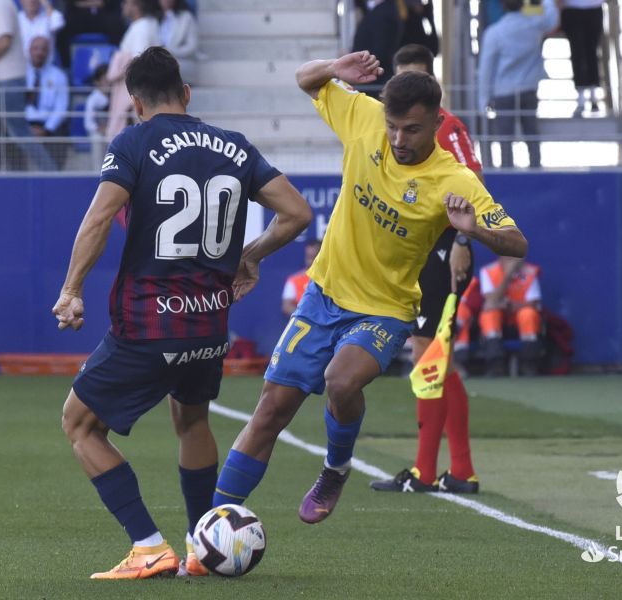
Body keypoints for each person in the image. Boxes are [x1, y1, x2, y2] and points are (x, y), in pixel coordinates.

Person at [212, 51, 526, 525]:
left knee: (340, 381)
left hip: (385, 309)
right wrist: (333, 68)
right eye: (393, 127)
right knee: (271, 409)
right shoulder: (363, 116)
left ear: (436, 122)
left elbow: (516, 242)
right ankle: (212, 526)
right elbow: (303, 78)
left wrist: (473, 230)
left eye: (412, 130)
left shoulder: (454, 179)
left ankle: (335, 468)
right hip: (324, 294)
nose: (398, 140)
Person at [53, 47, 311, 579]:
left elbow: (100, 217)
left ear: (135, 103)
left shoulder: (133, 142)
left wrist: (72, 288)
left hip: (149, 322)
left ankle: (148, 547)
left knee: (79, 424)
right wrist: (251, 256)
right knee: (191, 418)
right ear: (186, 93)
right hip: (210, 325)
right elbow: (297, 213)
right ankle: (202, 548)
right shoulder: (234, 147)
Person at [369, 43, 483, 494]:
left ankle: (427, 471)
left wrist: (462, 242)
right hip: (420, 253)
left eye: (419, 78)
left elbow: (473, 187)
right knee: (437, 359)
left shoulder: (448, 127)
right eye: (402, 80)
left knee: (426, 356)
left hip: (444, 250)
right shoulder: (394, 132)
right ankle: (459, 471)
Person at [0, 0, 56, 171]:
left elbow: (5, 40)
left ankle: (51, 174)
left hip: (9, 80)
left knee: (19, 132)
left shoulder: (1, 3)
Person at [477, 0, 558, 168]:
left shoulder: (494, 32)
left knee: (505, 139)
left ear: (502, 5)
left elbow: (486, 69)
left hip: (503, 92)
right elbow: (552, 18)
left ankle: (507, 171)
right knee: (532, 136)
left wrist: (483, 99)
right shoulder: (534, 25)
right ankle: (535, 170)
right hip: (528, 89)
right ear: (523, 4)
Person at [473, 256, 542, 375]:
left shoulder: (529, 272)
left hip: (518, 319)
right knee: (489, 314)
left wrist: (512, 305)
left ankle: (528, 363)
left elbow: (533, 303)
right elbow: (491, 301)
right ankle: (495, 364)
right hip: (500, 321)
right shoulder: (489, 271)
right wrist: (508, 276)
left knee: (528, 313)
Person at [105, 0, 160, 140]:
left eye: (126, 3)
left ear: (136, 5)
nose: (123, 6)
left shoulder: (142, 28)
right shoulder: (143, 25)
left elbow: (138, 61)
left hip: (135, 91)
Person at [24, 35, 68, 165]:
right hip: (24, 125)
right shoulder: (20, 74)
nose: (39, 53)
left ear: (49, 52)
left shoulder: (58, 75)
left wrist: (47, 130)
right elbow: (15, 105)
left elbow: (61, 107)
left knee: (60, 135)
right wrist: (26, 129)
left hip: (49, 127)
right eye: (35, 48)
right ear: (29, 50)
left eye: (43, 49)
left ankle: (55, 174)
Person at [558, 0, 603, 116]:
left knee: (591, 53)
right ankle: (581, 97)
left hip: (593, 8)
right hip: (573, 9)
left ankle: (593, 95)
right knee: (578, 54)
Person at [158, 0, 197, 83]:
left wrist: (170, 51)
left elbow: (192, 46)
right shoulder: (152, 19)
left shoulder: (186, 17)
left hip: (179, 61)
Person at [281, 239, 320, 317]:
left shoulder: (328, 279)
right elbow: (286, 306)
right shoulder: (294, 280)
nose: (310, 260)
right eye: (309, 256)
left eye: (313, 257)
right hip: (303, 321)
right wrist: (307, 317)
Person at [83, 62, 109, 169]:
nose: (108, 83)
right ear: (97, 82)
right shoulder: (92, 99)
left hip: (113, 130)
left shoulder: (117, 97)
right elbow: (88, 123)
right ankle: (97, 172)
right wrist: (99, 129)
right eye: (105, 80)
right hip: (98, 132)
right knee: (97, 138)